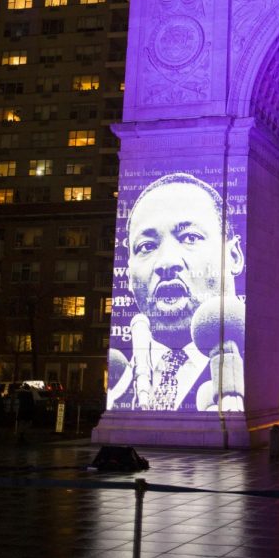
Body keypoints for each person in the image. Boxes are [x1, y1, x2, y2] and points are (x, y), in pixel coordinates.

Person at [107, 172, 245, 413]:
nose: (166, 262)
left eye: (190, 237)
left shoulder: (250, 372)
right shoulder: (120, 387)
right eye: (147, 246)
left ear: (233, 256)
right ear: (128, 275)